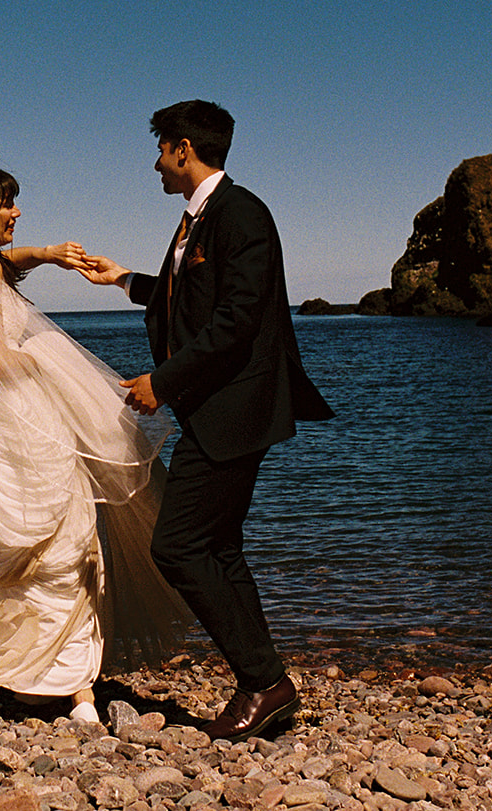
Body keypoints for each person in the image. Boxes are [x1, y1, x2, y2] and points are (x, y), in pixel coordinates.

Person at [79, 100, 334, 741]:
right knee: (218, 547)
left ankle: (263, 681)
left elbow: (237, 318)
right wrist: (124, 279)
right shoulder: (200, 218)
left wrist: (162, 383)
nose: (156, 164)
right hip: (217, 409)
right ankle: (267, 683)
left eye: (161, 150)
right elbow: (188, 298)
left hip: (236, 409)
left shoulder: (240, 213)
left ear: (184, 149)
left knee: (178, 545)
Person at [0, 165, 190, 722]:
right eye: (6, 205)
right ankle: (75, 690)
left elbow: (2, 263)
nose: (17, 213)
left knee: (11, 561)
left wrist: (45, 254)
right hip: (14, 422)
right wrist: (60, 367)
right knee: (67, 543)